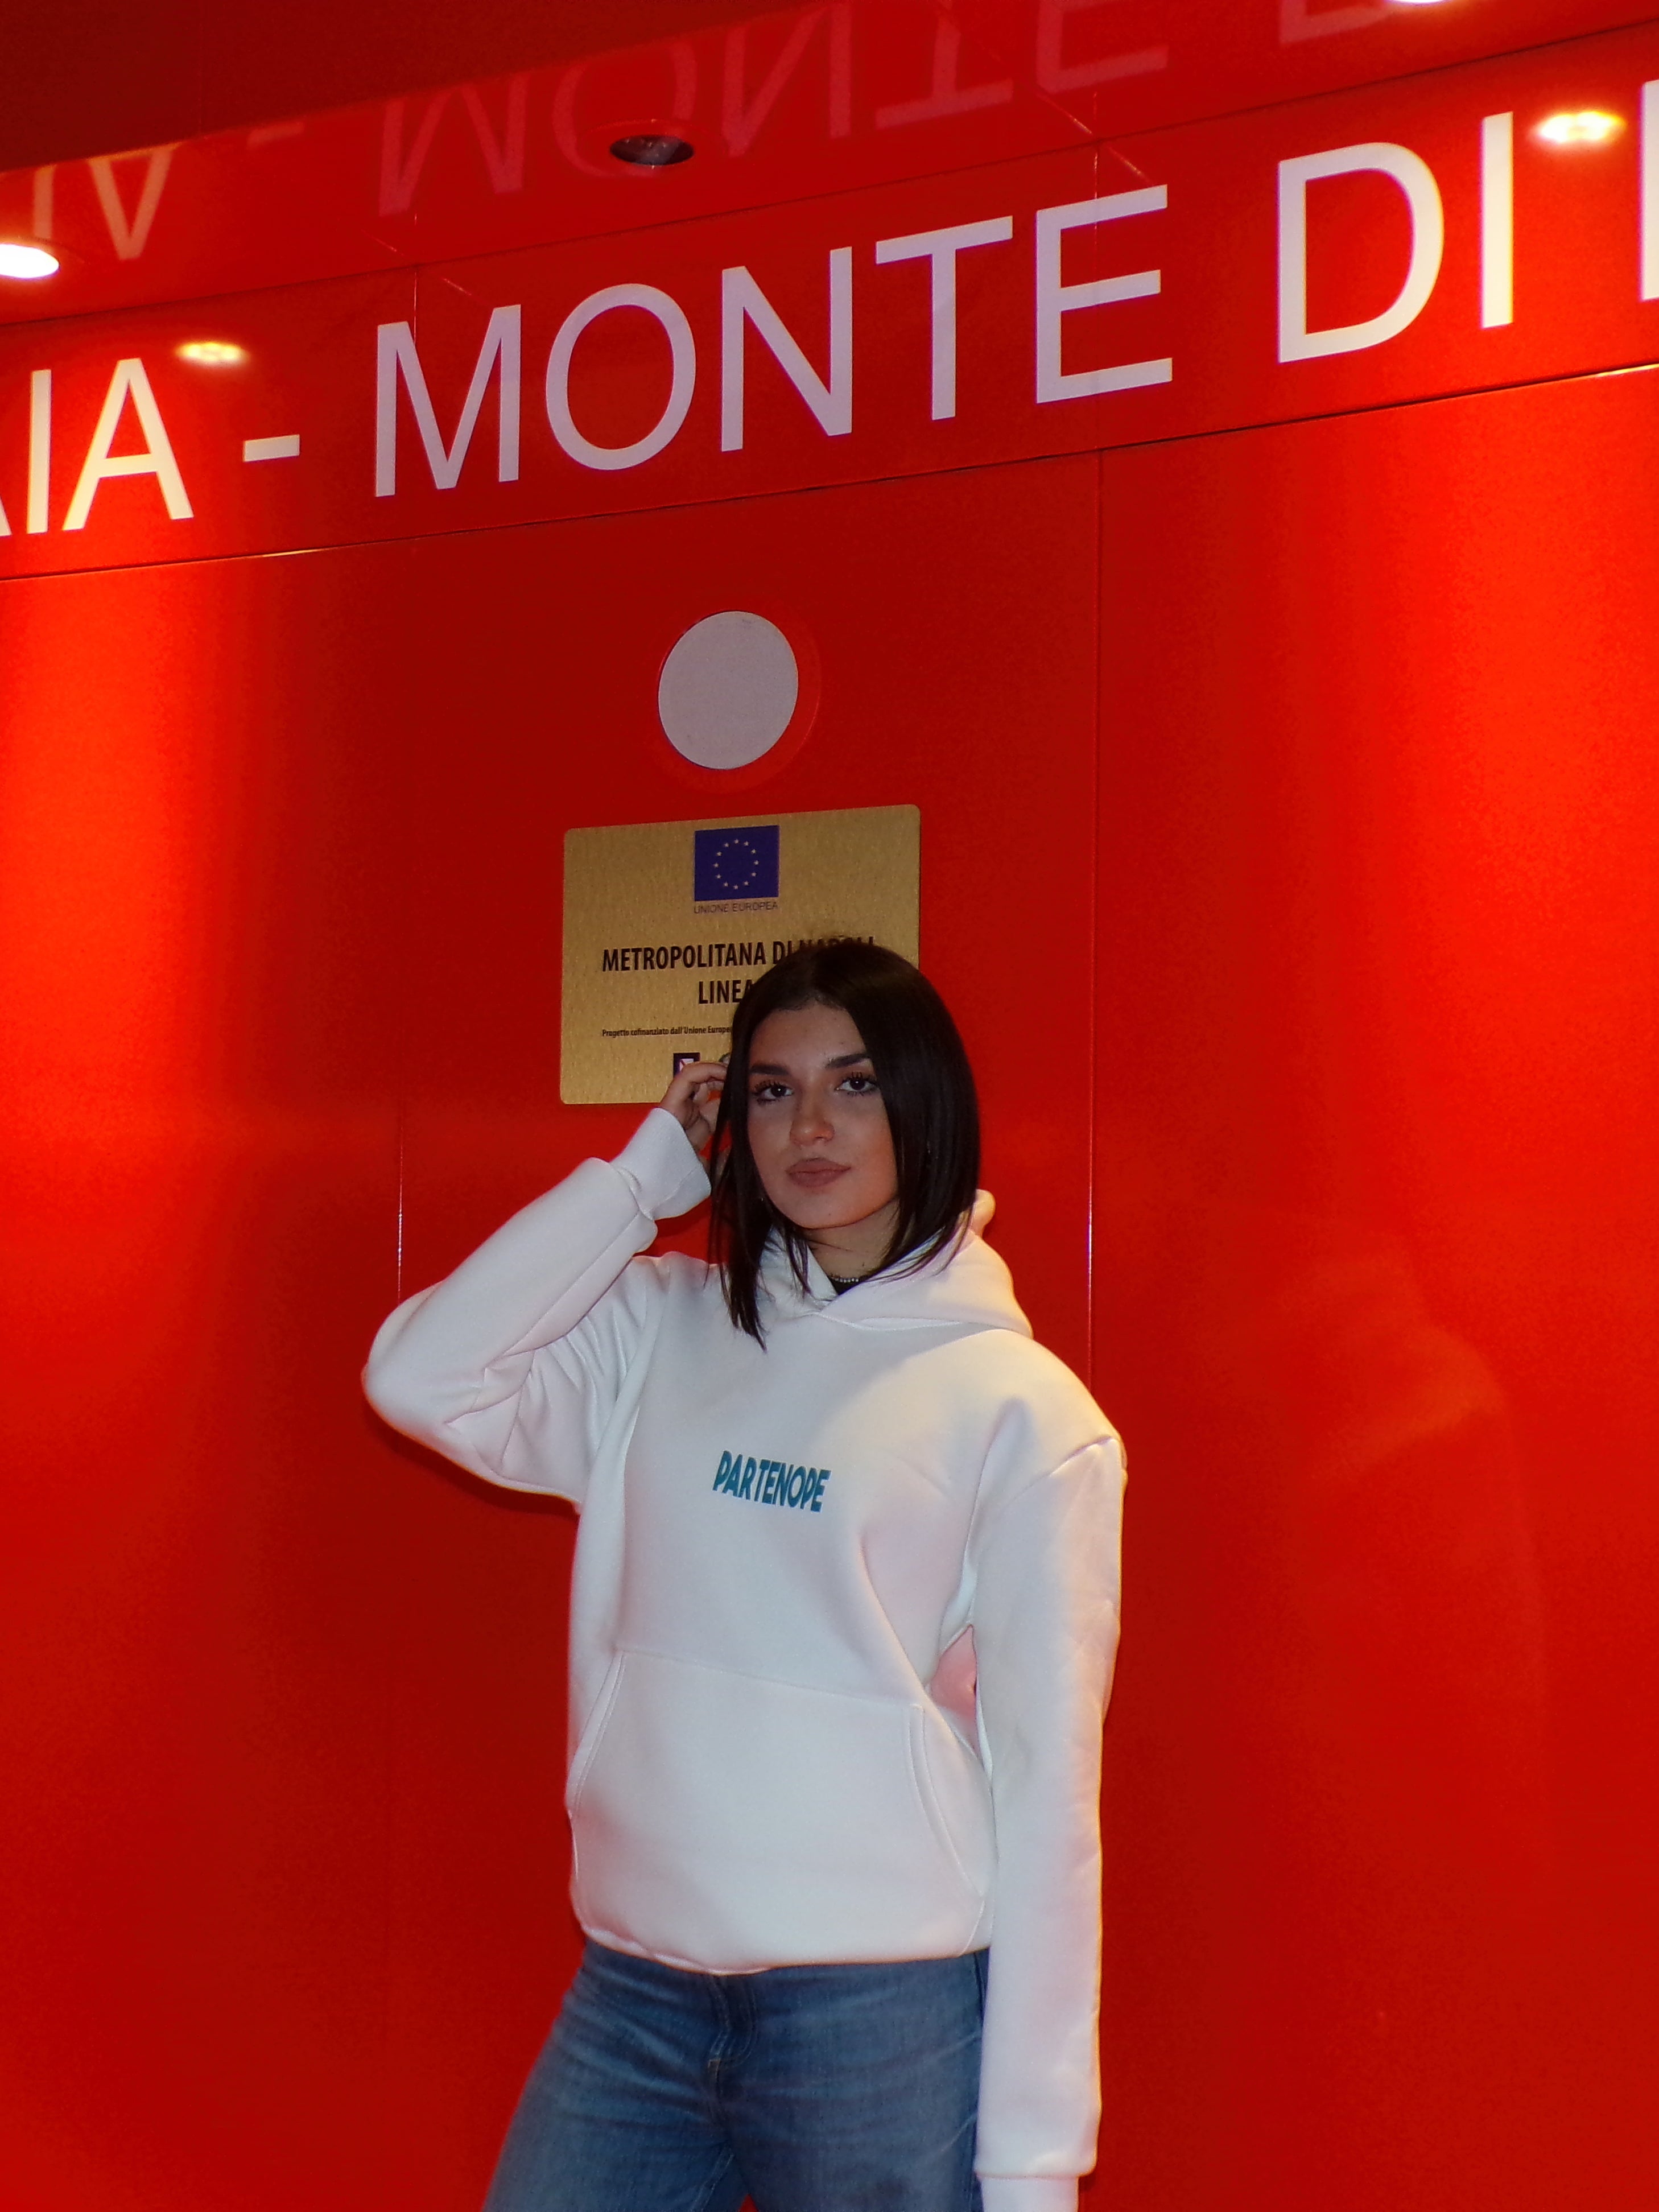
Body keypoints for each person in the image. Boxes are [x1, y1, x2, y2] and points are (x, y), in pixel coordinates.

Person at [364, 941, 1125, 2212]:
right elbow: (417, 1376)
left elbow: (1052, 1803)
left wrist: (1033, 2170)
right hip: (636, 1996)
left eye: (855, 1084)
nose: (809, 1126)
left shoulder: (1023, 1414)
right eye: (772, 1091)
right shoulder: (658, 1326)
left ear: (926, 1102)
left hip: (877, 2020)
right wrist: (639, 1181)